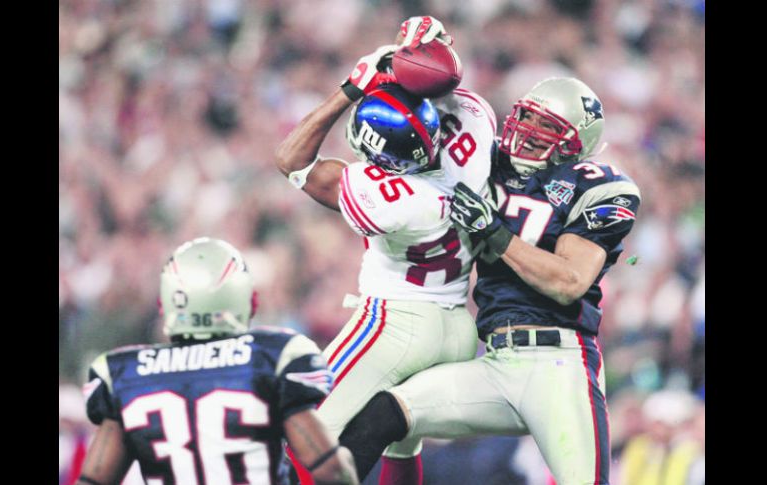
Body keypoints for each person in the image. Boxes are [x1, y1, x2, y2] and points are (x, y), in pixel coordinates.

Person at [337, 75, 642, 485]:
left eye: (546, 126)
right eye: (527, 118)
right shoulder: (486, 161)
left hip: (560, 364)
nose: (527, 132)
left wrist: (495, 233)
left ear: (574, 143)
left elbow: (569, 281)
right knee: (383, 414)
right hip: (496, 361)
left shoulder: (598, 184)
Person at [274, 16, 497, 484]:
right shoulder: (474, 121)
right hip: (456, 322)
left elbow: (291, 159)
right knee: (400, 440)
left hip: (398, 321)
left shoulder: (395, 200)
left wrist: (353, 88)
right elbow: (444, 85)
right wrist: (418, 56)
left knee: (303, 434)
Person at [75, 237, 359, 485]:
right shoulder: (269, 357)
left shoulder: (126, 375)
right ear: (249, 300)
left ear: (165, 305)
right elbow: (331, 472)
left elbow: (93, 480)